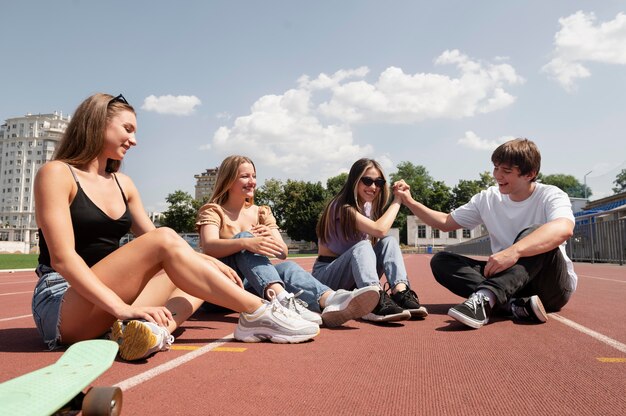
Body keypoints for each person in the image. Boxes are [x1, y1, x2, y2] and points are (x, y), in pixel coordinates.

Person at [32, 93, 319, 362]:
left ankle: (152, 331)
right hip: (63, 301)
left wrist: (206, 262)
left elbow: (162, 245)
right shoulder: (57, 173)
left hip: (106, 301)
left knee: (192, 277)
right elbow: (63, 258)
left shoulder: (123, 184)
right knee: (169, 241)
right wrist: (121, 308)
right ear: (97, 124)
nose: (134, 140)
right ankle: (259, 311)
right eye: (128, 129)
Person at [398, 138, 577, 329]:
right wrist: (409, 201)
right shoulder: (488, 198)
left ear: (530, 174)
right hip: (510, 283)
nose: (497, 175)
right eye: (496, 168)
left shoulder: (550, 195)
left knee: (537, 232)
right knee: (441, 261)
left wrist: (514, 252)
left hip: (550, 287)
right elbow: (445, 222)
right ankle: (514, 305)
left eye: (506, 171)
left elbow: (564, 228)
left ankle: (485, 299)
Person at [196, 155, 379, 328]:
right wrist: (245, 243)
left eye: (254, 176)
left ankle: (331, 300)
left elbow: (282, 252)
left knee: (287, 267)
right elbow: (209, 247)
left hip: (249, 289)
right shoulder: (213, 211)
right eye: (245, 176)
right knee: (245, 239)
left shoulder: (261, 212)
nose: (252, 181)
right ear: (228, 180)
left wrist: (268, 234)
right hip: (218, 291)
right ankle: (283, 301)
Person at [313, 158, 428, 323]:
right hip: (327, 277)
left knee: (389, 242)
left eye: (378, 182)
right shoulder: (341, 207)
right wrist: (398, 200)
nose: (373, 187)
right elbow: (379, 229)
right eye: (367, 181)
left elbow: (381, 235)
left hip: (352, 277)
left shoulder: (367, 207)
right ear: (354, 181)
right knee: (364, 245)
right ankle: (373, 301)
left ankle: (400, 292)